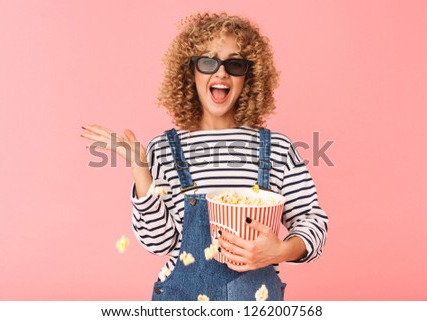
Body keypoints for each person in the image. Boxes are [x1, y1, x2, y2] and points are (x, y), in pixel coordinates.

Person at [81, 12, 328, 301]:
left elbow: (312, 220)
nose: (221, 73)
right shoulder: (163, 148)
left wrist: (283, 250)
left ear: (249, 77)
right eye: (208, 62)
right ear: (190, 72)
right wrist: (140, 170)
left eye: (234, 64)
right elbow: (158, 243)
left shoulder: (277, 148)